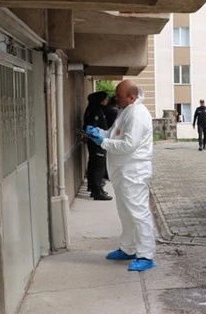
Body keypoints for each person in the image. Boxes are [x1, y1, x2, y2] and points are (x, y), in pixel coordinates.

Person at [86, 80, 156, 272]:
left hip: (134, 172)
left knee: (138, 213)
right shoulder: (126, 110)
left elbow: (127, 145)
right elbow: (113, 134)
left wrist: (103, 142)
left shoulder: (138, 114)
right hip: (123, 171)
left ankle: (146, 255)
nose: (115, 98)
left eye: (119, 95)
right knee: (125, 212)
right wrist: (99, 133)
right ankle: (128, 248)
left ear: (132, 97)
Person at [83, 91, 112, 200]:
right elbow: (91, 128)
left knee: (94, 164)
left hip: (96, 142)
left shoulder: (94, 108)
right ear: (100, 100)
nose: (107, 101)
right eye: (105, 98)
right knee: (98, 166)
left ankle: (94, 188)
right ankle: (97, 191)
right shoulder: (95, 110)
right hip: (97, 142)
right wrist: (100, 139)